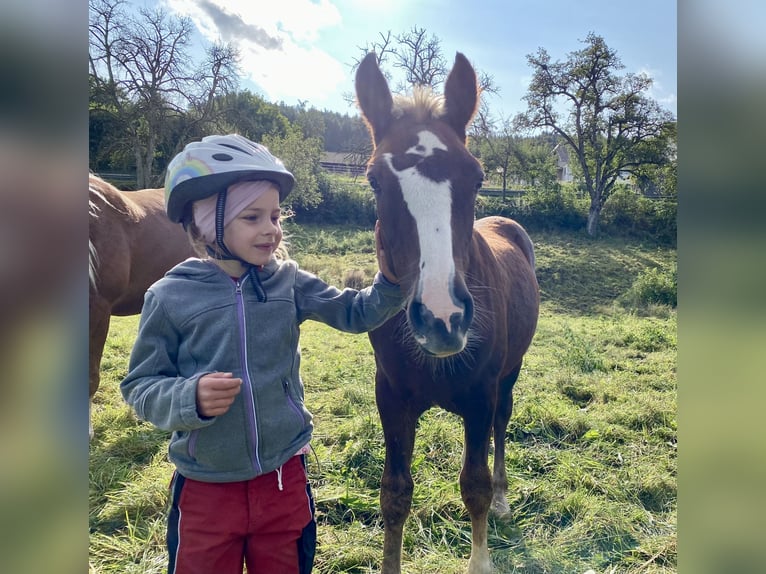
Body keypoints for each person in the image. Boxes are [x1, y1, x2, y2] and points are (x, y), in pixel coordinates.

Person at [120, 134, 402, 574]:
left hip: (282, 480)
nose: (271, 228)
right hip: (206, 488)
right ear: (206, 224)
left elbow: (354, 311)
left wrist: (392, 281)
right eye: (252, 217)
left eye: (275, 215)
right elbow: (140, 385)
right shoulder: (169, 296)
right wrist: (187, 398)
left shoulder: (287, 282)